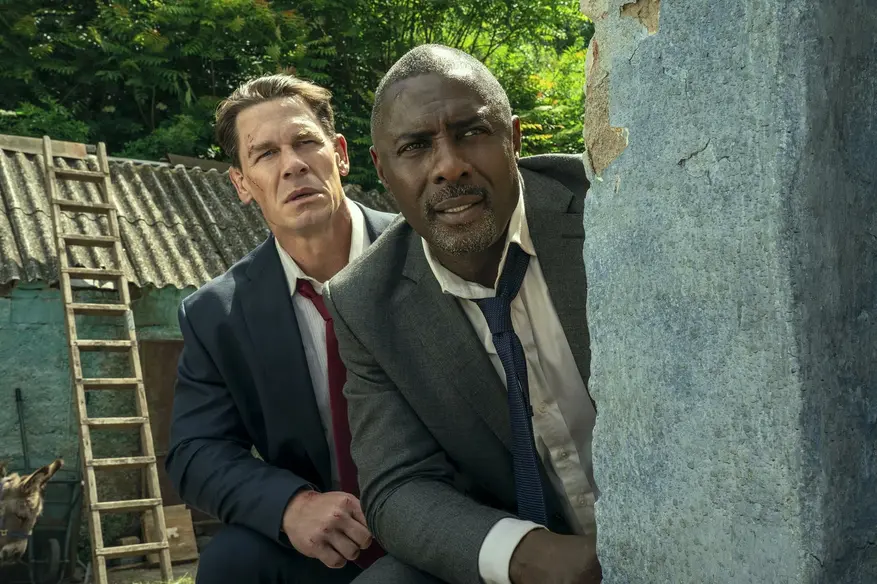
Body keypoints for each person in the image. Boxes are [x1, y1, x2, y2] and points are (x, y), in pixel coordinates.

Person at [324, 44, 602, 584]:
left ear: (513, 139)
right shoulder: (365, 303)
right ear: (382, 169)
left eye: (472, 132)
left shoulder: (604, 207)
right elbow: (397, 486)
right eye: (415, 146)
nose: (450, 165)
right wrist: (528, 554)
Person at [165, 73, 433, 584]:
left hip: (445, 518)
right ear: (242, 184)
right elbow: (195, 451)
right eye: (266, 154)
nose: (292, 165)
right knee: (231, 562)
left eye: (305, 142)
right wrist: (292, 505)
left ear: (340, 155)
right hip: (329, 541)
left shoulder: (426, 253)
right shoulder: (217, 313)